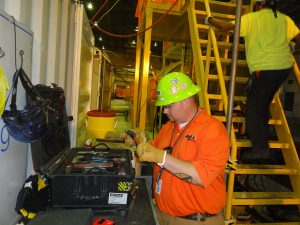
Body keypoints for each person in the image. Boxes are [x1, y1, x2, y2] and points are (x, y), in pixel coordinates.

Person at [125, 72, 230, 225]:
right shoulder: (169, 127)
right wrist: (138, 142)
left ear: (187, 99)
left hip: (195, 220)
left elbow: (200, 176)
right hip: (162, 214)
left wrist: (162, 157)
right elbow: (151, 152)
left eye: (169, 106)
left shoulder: (212, 130)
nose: (165, 111)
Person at [206, 0, 300, 162]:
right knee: (260, 104)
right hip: (283, 69)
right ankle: (262, 144)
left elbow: (225, 27)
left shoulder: (252, 19)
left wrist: (210, 20)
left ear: (259, 8)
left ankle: (260, 150)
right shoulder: (284, 19)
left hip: (265, 69)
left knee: (254, 110)